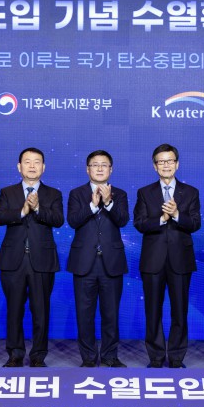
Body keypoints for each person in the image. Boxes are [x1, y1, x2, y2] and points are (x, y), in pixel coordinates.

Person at [0, 148, 64, 367]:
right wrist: (23, 211)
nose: (32, 166)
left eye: (37, 162)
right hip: (13, 260)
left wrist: (39, 208)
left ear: (44, 167)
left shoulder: (53, 194)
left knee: (41, 310)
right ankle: (15, 354)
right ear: (19, 167)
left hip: (42, 260)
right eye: (27, 162)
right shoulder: (8, 192)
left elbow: (58, 220)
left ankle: (38, 355)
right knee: (14, 309)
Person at [134, 143, 201, 368]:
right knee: (153, 311)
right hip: (152, 260)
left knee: (179, 311)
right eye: (161, 162)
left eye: (170, 161)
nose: (166, 165)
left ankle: (176, 357)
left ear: (177, 164)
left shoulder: (190, 192)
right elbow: (140, 224)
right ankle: (155, 356)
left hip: (180, 260)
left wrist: (177, 214)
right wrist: (162, 219)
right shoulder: (144, 192)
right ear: (155, 166)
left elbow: (195, 224)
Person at [67, 150, 129, 368]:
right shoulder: (77, 194)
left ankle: (110, 356)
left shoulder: (120, 194)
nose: (100, 168)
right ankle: (88, 357)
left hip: (111, 263)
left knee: (111, 313)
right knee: (84, 314)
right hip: (84, 263)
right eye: (95, 165)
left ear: (111, 169)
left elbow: (123, 220)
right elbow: (73, 221)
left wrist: (108, 202)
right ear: (88, 169)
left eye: (104, 165)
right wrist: (93, 206)